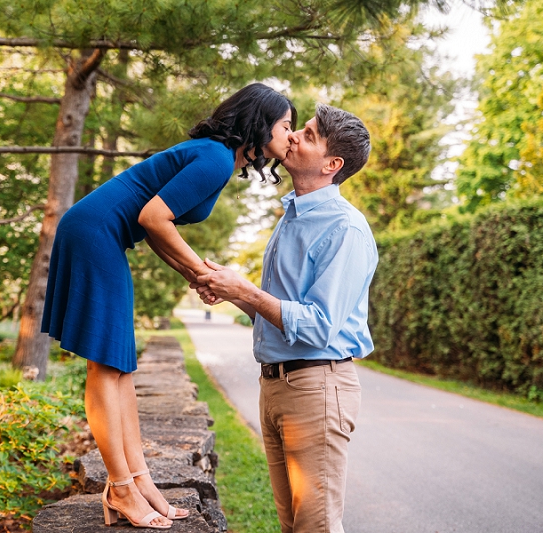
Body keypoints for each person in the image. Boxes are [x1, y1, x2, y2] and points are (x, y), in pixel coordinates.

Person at [41, 83, 297, 529]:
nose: (292, 136)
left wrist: (196, 276)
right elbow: (152, 219)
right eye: (287, 125)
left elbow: (156, 224)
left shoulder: (217, 157)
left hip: (99, 235)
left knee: (121, 366)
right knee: (106, 366)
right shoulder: (215, 157)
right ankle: (120, 488)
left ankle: (140, 481)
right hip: (94, 235)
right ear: (261, 122)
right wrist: (203, 271)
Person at [194, 103, 375, 533]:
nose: (292, 136)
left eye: (308, 135)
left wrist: (247, 290)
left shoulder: (344, 228)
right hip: (275, 385)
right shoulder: (293, 216)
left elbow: (317, 325)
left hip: (317, 387)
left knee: (316, 527)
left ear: (333, 164)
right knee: (291, 525)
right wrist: (230, 290)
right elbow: (277, 308)